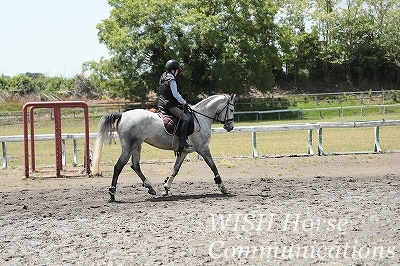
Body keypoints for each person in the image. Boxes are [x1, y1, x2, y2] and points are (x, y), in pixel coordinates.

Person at [158, 59, 191, 150]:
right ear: (173, 70)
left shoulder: (163, 76)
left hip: (161, 103)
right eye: (177, 70)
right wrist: (184, 103)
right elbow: (175, 94)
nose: (178, 72)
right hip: (169, 105)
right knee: (186, 119)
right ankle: (182, 141)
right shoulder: (172, 79)